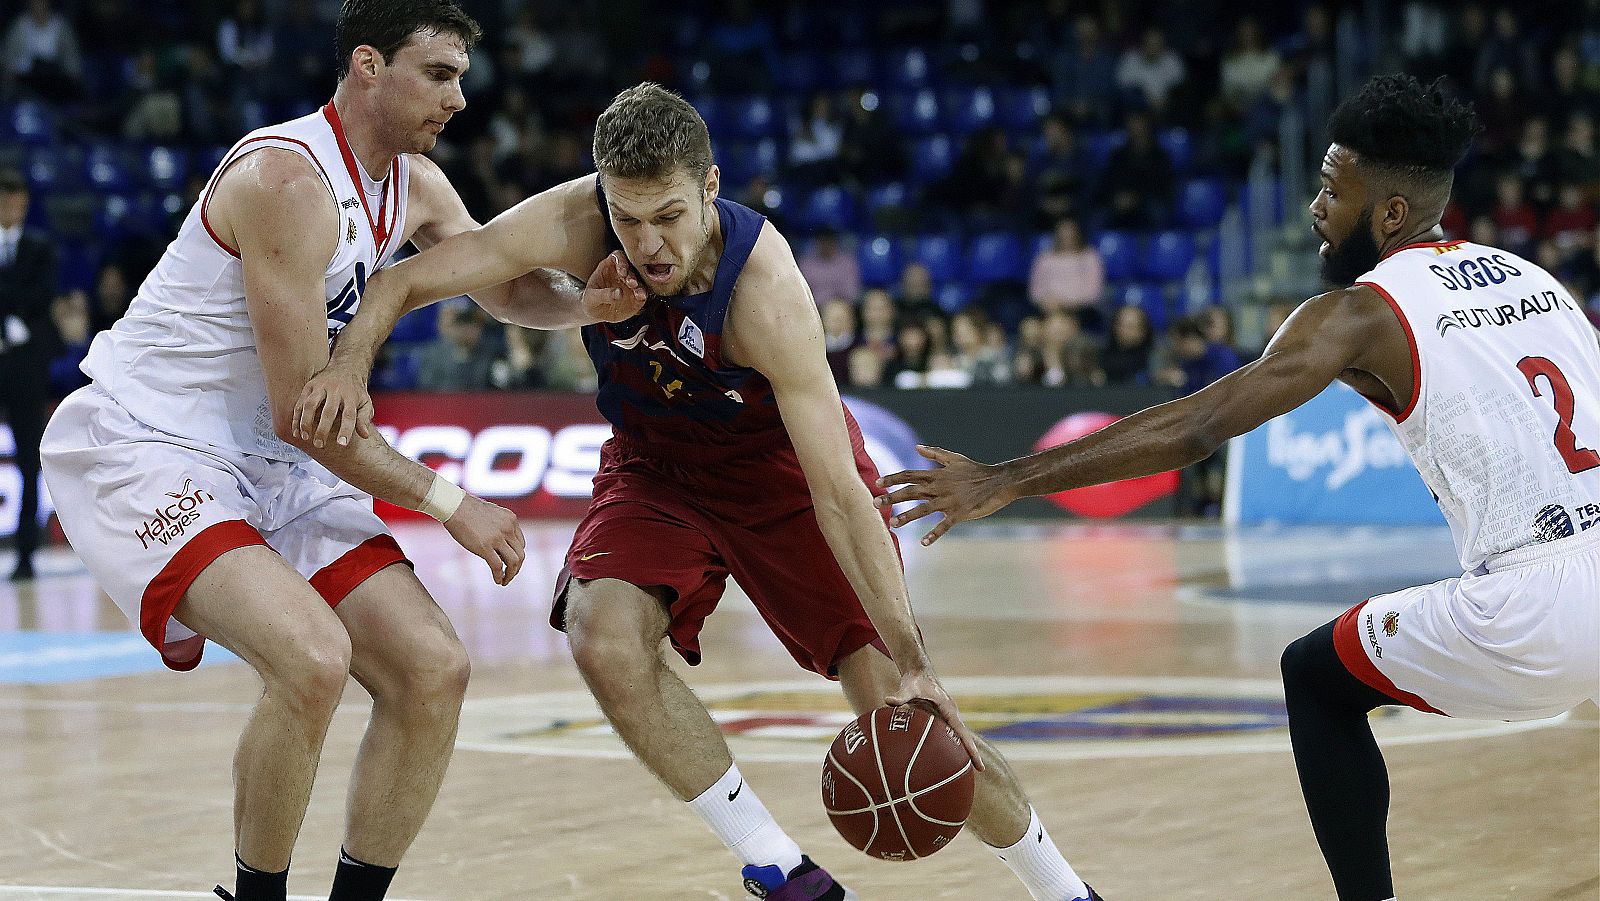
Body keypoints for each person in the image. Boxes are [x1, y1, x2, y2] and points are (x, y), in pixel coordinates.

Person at [294, 82, 1103, 901]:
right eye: (627, 217)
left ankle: (1066, 890)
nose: (647, 243)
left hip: (779, 477)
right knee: (601, 635)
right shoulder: (576, 220)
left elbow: (838, 494)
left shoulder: (766, 292)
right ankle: (779, 869)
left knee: (901, 706)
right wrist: (351, 359)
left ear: (710, 188)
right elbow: (403, 282)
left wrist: (915, 659)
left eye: (669, 217)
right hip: (657, 467)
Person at [876, 74, 1599, 901]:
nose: (1315, 210)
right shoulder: (1540, 282)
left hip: (1534, 602)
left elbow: (1196, 428)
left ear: (1390, 214)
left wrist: (1006, 479)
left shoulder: (1358, 314)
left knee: (1315, 678)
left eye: (1332, 190)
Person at [37, 4, 641, 900]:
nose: (461, 98)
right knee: (312, 658)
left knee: (433, 670)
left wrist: (587, 305)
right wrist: (454, 504)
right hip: (151, 444)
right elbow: (305, 415)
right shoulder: (285, 180)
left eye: (462, 76)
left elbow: (509, 285)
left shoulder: (417, 184)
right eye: (439, 74)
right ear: (368, 65)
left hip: (269, 465)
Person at [0, 168, 59, 581]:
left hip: (24, 367)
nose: (10, 207)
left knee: (27, 457)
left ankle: (25, 555)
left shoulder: (40, 248)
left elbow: (40, 296)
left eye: (17, 199)